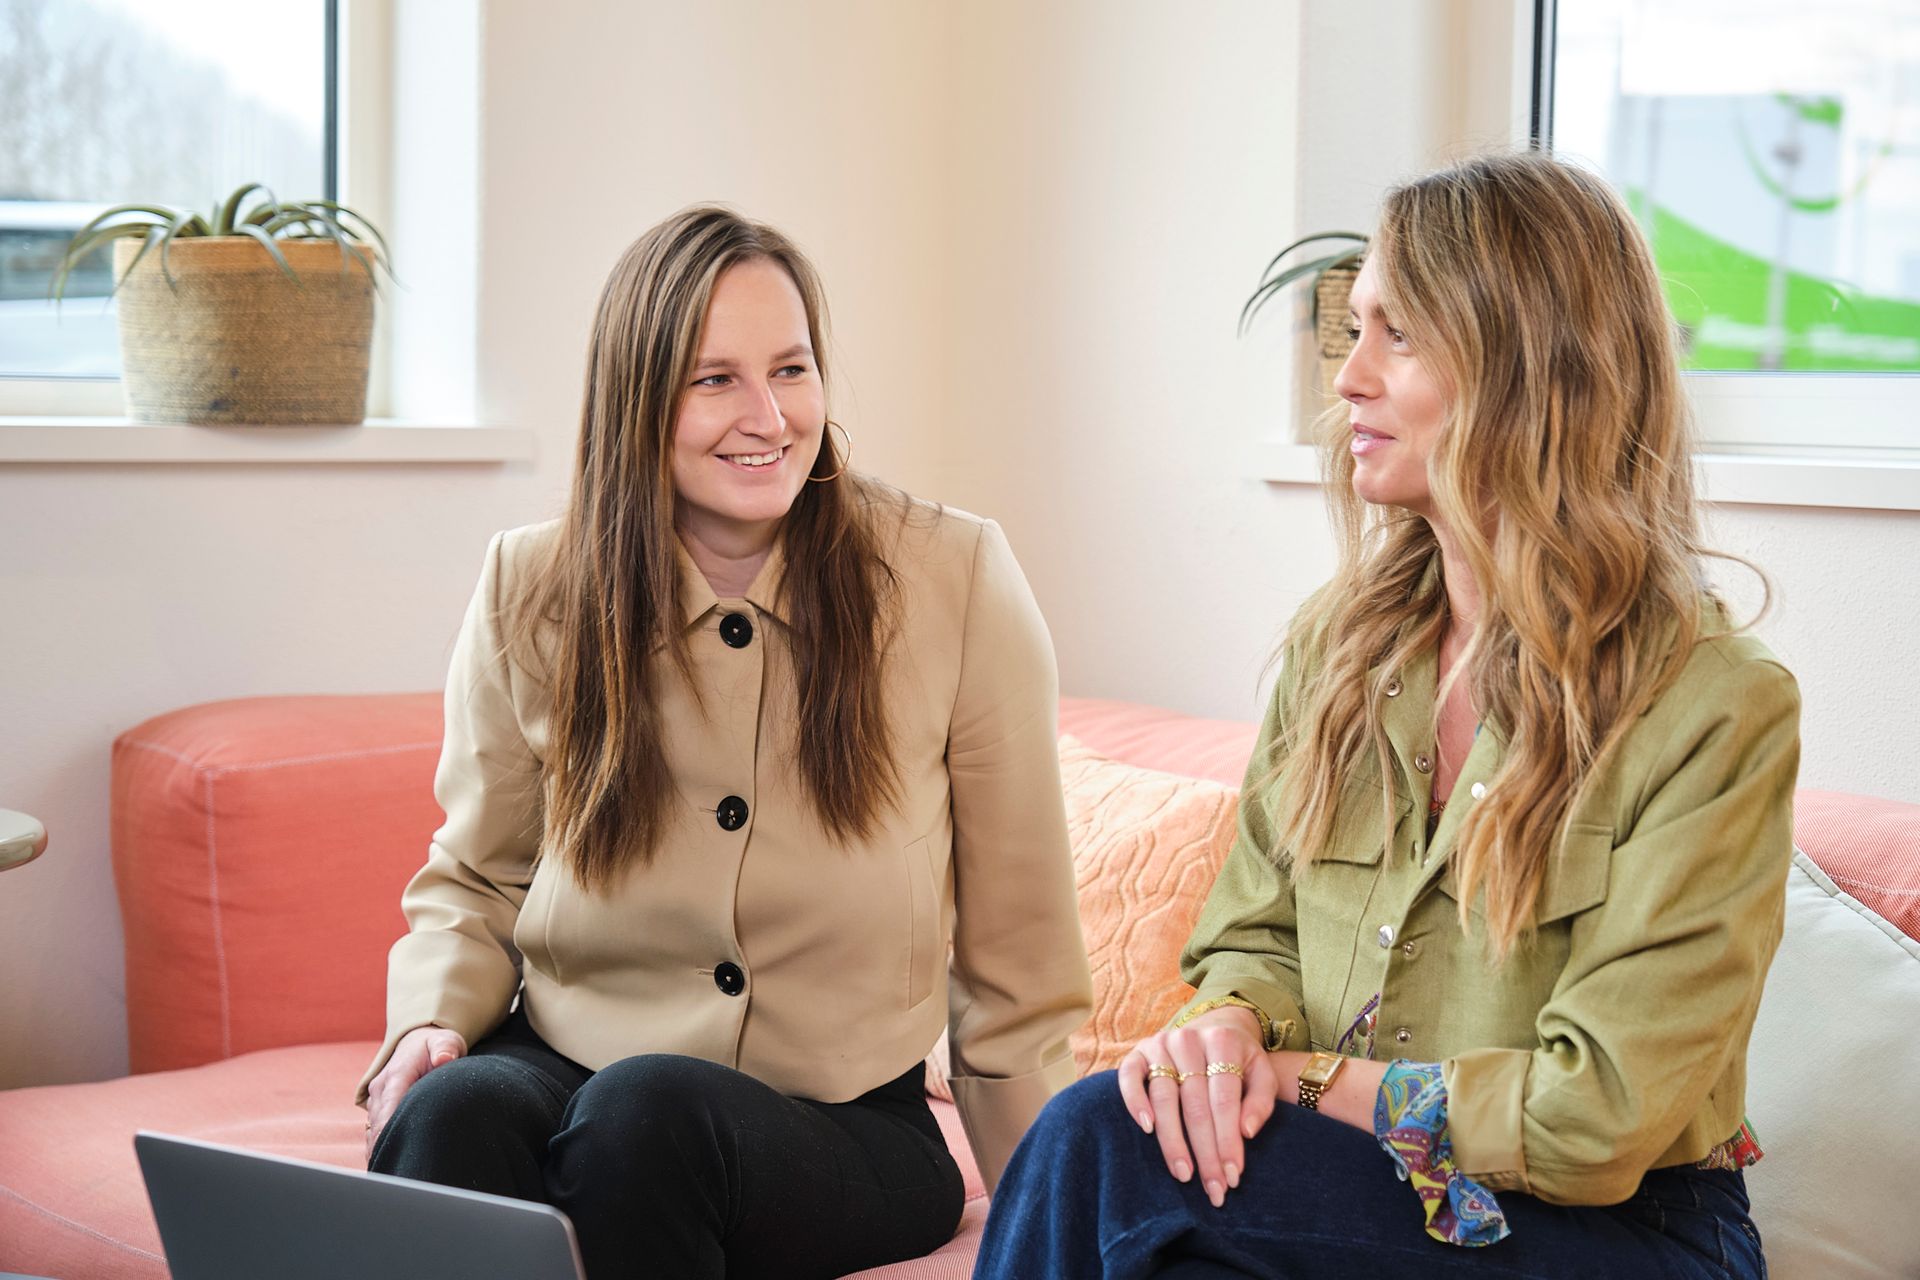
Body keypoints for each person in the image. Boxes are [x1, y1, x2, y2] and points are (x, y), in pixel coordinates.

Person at [974, 151, 1798, 1279]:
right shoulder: (1340, 648)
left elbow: (1595, 1115)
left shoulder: (1716, 704)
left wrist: (1300, 1077)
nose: (1347, 378)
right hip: (1395, 1199)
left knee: (1094, 1137)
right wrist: (1226, 1029)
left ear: (1528, 366)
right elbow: (1252, 938)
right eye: (1351, 330)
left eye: (1395, 334)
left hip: (1628, 1234)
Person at [356, 205, 1092, 1280]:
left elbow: (1019, 964)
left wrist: (1058, 1220)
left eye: (791, 369)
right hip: (565, 1058)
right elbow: (477, 874)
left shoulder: (956, 578)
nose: (769, 415)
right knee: (451, 1116)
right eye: (716, 380)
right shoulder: (532, 584)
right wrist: (426, 1021)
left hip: (844, 1123)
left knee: (644, 1113)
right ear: (638, 397)